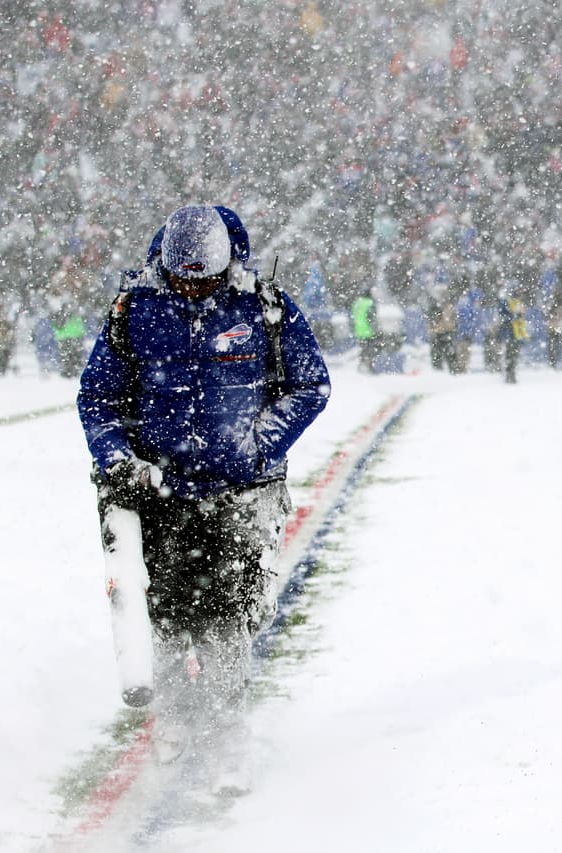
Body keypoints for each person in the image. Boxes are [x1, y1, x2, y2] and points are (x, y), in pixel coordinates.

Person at [77, 204, 330, 786]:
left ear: (227, 265)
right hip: (158, 495)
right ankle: (174, 718)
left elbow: (310, 385)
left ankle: (223, 728)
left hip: (241, 494)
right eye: (181, 278)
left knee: (227, 619)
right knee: (164, 615)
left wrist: (258, 444)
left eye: (204, 278)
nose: (192, 288)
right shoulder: (132, 311)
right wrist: (118, 460)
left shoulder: (265, 307)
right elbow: (99, 399)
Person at [351, 288, 377, 372]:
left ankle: (361, 366)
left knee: (363, 349)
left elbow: (353, 317)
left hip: (359, 330)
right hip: (368, 331)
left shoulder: (357, 303)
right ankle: (370, 367)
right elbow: (371, 318)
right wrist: (375, 329)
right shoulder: (370, 303)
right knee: (371, 350)